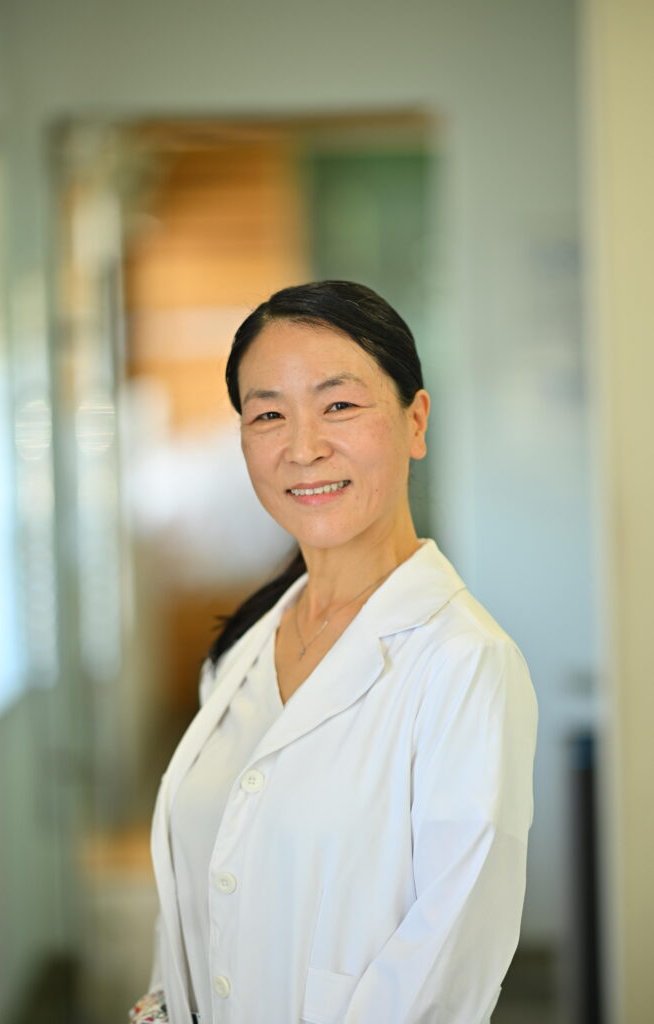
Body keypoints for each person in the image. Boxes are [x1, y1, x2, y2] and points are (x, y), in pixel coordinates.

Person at [131, 280, 538, 1024]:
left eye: (339, 405)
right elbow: (196, 903)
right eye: (267, 415)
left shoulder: (462, 664)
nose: (302, 447)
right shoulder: (242, 650)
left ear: (415, 421)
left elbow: (443, 970)